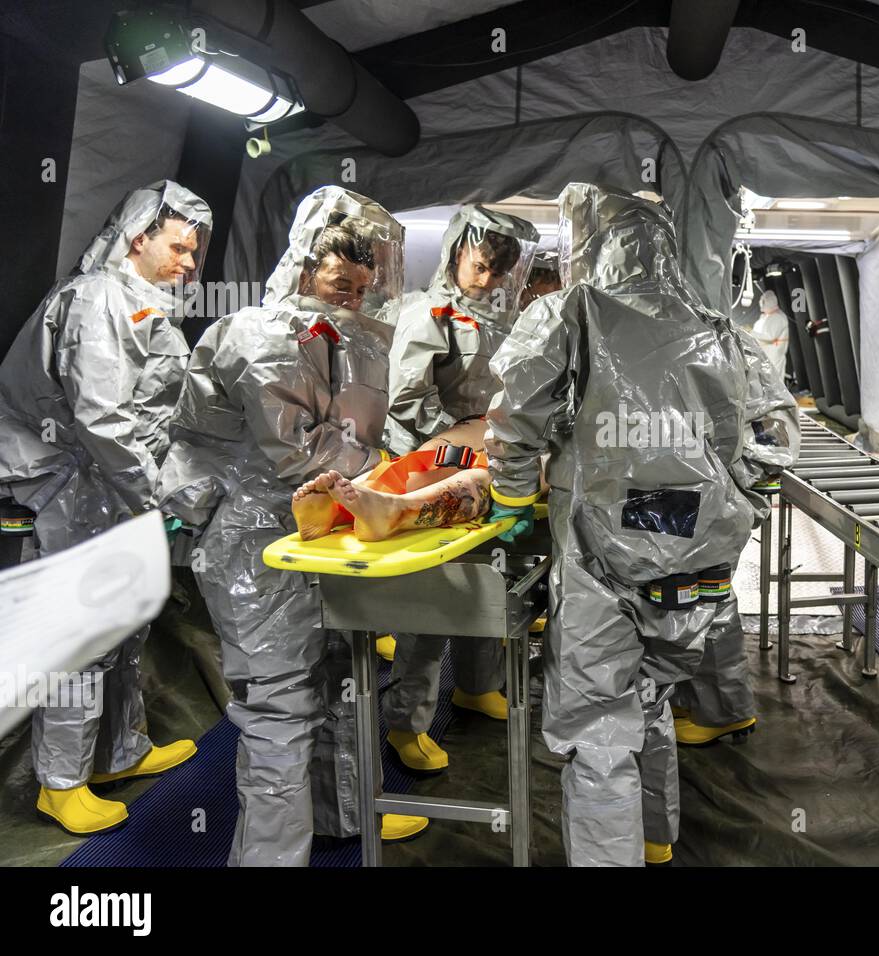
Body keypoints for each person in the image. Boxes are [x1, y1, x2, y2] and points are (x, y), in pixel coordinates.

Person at [157, 186, 428, 865]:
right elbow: (299, 455)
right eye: (341, 282)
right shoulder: (258, 334)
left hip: (323, 536)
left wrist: (397, 464)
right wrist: (396, 470)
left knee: (342, 678)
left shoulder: (350, 337)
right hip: (256, 548)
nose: (352, 297)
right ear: (305, 265)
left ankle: (340, 816)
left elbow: (356, 437)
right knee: (280, 710)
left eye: (363, 287)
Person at [484, 182, 753, 866]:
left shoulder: (573, 309)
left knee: (601, 729)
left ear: (590, 245)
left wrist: (513, 501)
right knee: (652, 692)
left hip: (602, 546)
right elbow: (750, 439)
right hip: (697, 545)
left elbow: (516, 414)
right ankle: (656, 836)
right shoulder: (714, 322)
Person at [0, 181, 211, 835]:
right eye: (178, 246)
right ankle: (60, 783)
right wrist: (156, 496)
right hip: (73, 490)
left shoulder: (143, 306)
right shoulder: (96, 302)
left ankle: (121, 752)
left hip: (112, 491)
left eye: (195, 252)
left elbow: (154, 412)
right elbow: (101, 418)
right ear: (139, 237)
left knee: (123, 629)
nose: (189, 262)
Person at [380, 207, 538, 773]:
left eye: (500, 272)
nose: (489, 280)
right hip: (432, 465)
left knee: (483, 579)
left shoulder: (492, 317)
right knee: (432, 599)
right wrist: (458, 445)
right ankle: (406, 721)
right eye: (482, 266)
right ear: (456, 252)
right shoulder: (429, 313)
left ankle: (477, 684)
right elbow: (406, 398)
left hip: (479, 462)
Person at [673, 326, 800, 745]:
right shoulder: (622, 333)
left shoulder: (727, 339)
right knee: (678, 603)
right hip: (666, 506)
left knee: (708, 599)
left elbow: (773, 424)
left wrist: (736, 491)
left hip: (708, 503)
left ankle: (723, 710)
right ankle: (695, 698)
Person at [289, 418, 498, 542]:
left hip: (523, 443)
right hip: (496, 417)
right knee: (432, 455)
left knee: (492, 475)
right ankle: (341, 511)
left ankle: (394, 511)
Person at [752, 289, 791, 376]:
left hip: (773, 359)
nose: (760, 303)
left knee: (774, 384)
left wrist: (751, 332)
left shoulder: (778, 317)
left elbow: (770, 337)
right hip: (765, 358)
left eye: (763, 301)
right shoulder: (765, 318)